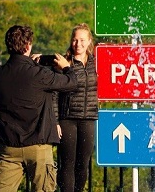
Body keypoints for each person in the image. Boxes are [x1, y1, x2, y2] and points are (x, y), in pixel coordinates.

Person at [0, 24, 78, 192]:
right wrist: (66, 67)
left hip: (8, 146)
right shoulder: (39, 74)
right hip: (39, 145)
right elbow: (71, 83)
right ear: (28, 45)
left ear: (8, 45)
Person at [57, 23, 99, 192]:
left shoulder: (96, 62)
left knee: (83, 164)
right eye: (75, 40)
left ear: (89, 41)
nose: (78, 44)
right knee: (67, 163)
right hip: (67, 118)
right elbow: (54, 94)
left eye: (82, 40)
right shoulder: (64, 63)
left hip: (88, 117)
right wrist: (55, 120)